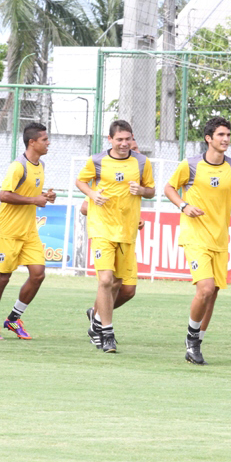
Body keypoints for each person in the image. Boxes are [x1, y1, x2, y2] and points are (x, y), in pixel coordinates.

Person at [164, 116, 231, 365]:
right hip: (195, 237)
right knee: (206, 288)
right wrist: (184, 206)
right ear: (208, 138)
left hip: (220, 240)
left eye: (228, 135)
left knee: (213, 294)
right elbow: (169, 188)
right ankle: (191, 339)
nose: (226, 139)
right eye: (221, 135)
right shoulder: (190, 165)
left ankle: (196, 344)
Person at [76, 120, 155, 353]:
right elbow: (80, 181)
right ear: (110, 139)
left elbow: (151, 190)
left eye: (127, 139)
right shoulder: (97, 161)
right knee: (105, 280)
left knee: (120, 285)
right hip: (101, 229)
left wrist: (141, 190)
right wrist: (92, 195)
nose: (124, 143)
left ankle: (96, 321)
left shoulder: (142, 162)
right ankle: (107, 333)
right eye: (119, 139)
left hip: (126, 231)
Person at [0, 122, 56, 340]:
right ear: (32, 142)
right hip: (9, 231)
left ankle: (13, 319)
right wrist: (34, 200)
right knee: (2, 278)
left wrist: (45, 196)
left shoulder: (40, 165)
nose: (48, 142)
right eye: (44, 139)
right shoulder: (17, 166)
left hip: (29, 231)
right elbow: (4, 195)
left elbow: (30, 192)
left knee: (38, 274)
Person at [80, 203, 145, 348]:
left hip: (126, 238)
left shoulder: (132, 189)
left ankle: (96, 317)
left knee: (128, 291)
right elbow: (84, 208)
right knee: (107, 282)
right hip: (105, 236)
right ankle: (102, 328)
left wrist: (134, 218)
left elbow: (144, 196)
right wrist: (112, 213)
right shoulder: (101, 187)